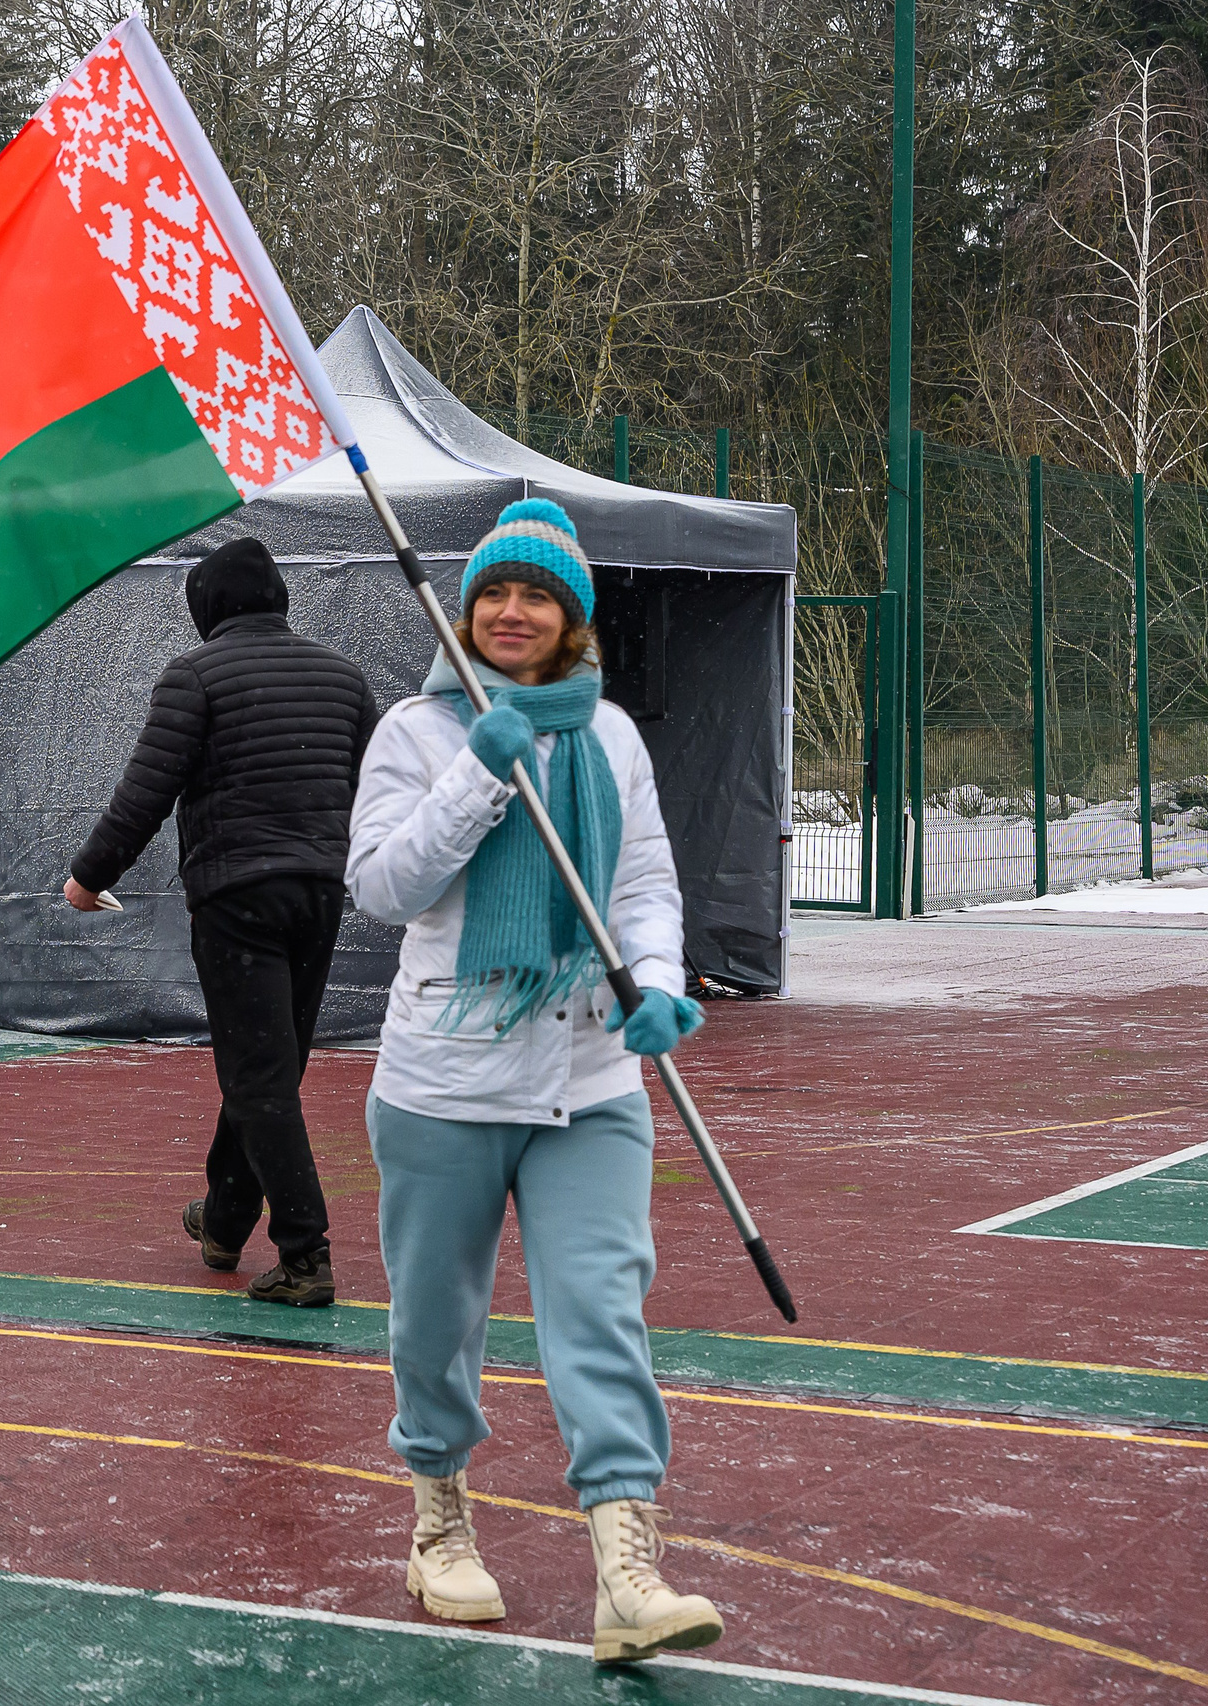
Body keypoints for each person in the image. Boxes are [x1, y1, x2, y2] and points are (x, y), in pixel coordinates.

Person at [344, 499, 722, 1664]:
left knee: (602, 1309)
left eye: (539, 597)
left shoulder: (608, 735)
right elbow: (383, 887)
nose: (513, 613)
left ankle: (625, 1563)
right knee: (436, 1320)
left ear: (573, 621)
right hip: (444, 1080)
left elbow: (645, 879)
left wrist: (654, 977)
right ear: (465, 609)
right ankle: (439, 1516)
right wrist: (474, 772)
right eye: (496, 593)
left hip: (592, 1074)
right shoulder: (416, 728)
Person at [64, 537, 377, 1307]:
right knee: (273, 1064)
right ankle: (226, 1221)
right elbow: (376, 790)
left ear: (205, 609)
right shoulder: (344, 678)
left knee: (259, 1076)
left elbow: (146, 792)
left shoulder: (194, 675)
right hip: (319, 893)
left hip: (237, 898)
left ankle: (305, 1253)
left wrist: (88, 877)